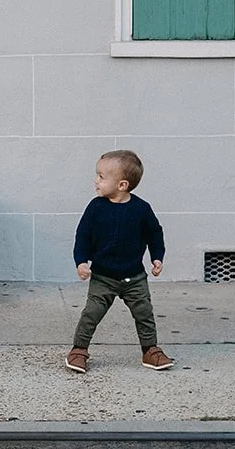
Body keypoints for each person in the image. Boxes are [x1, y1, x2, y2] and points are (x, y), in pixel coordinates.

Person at [64, 149, 174, 373]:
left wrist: (157, 257)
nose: (96, 181)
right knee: (91, 314)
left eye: (101, 177)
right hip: (103, 277)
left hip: (134, 277)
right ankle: (78, 350)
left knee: (144, 313)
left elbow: (155, 234)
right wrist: (81, 262)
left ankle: (150, 350)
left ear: (122, 185)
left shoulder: (141, 210)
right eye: (97, 175)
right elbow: (83, 235)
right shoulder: (96, 208)